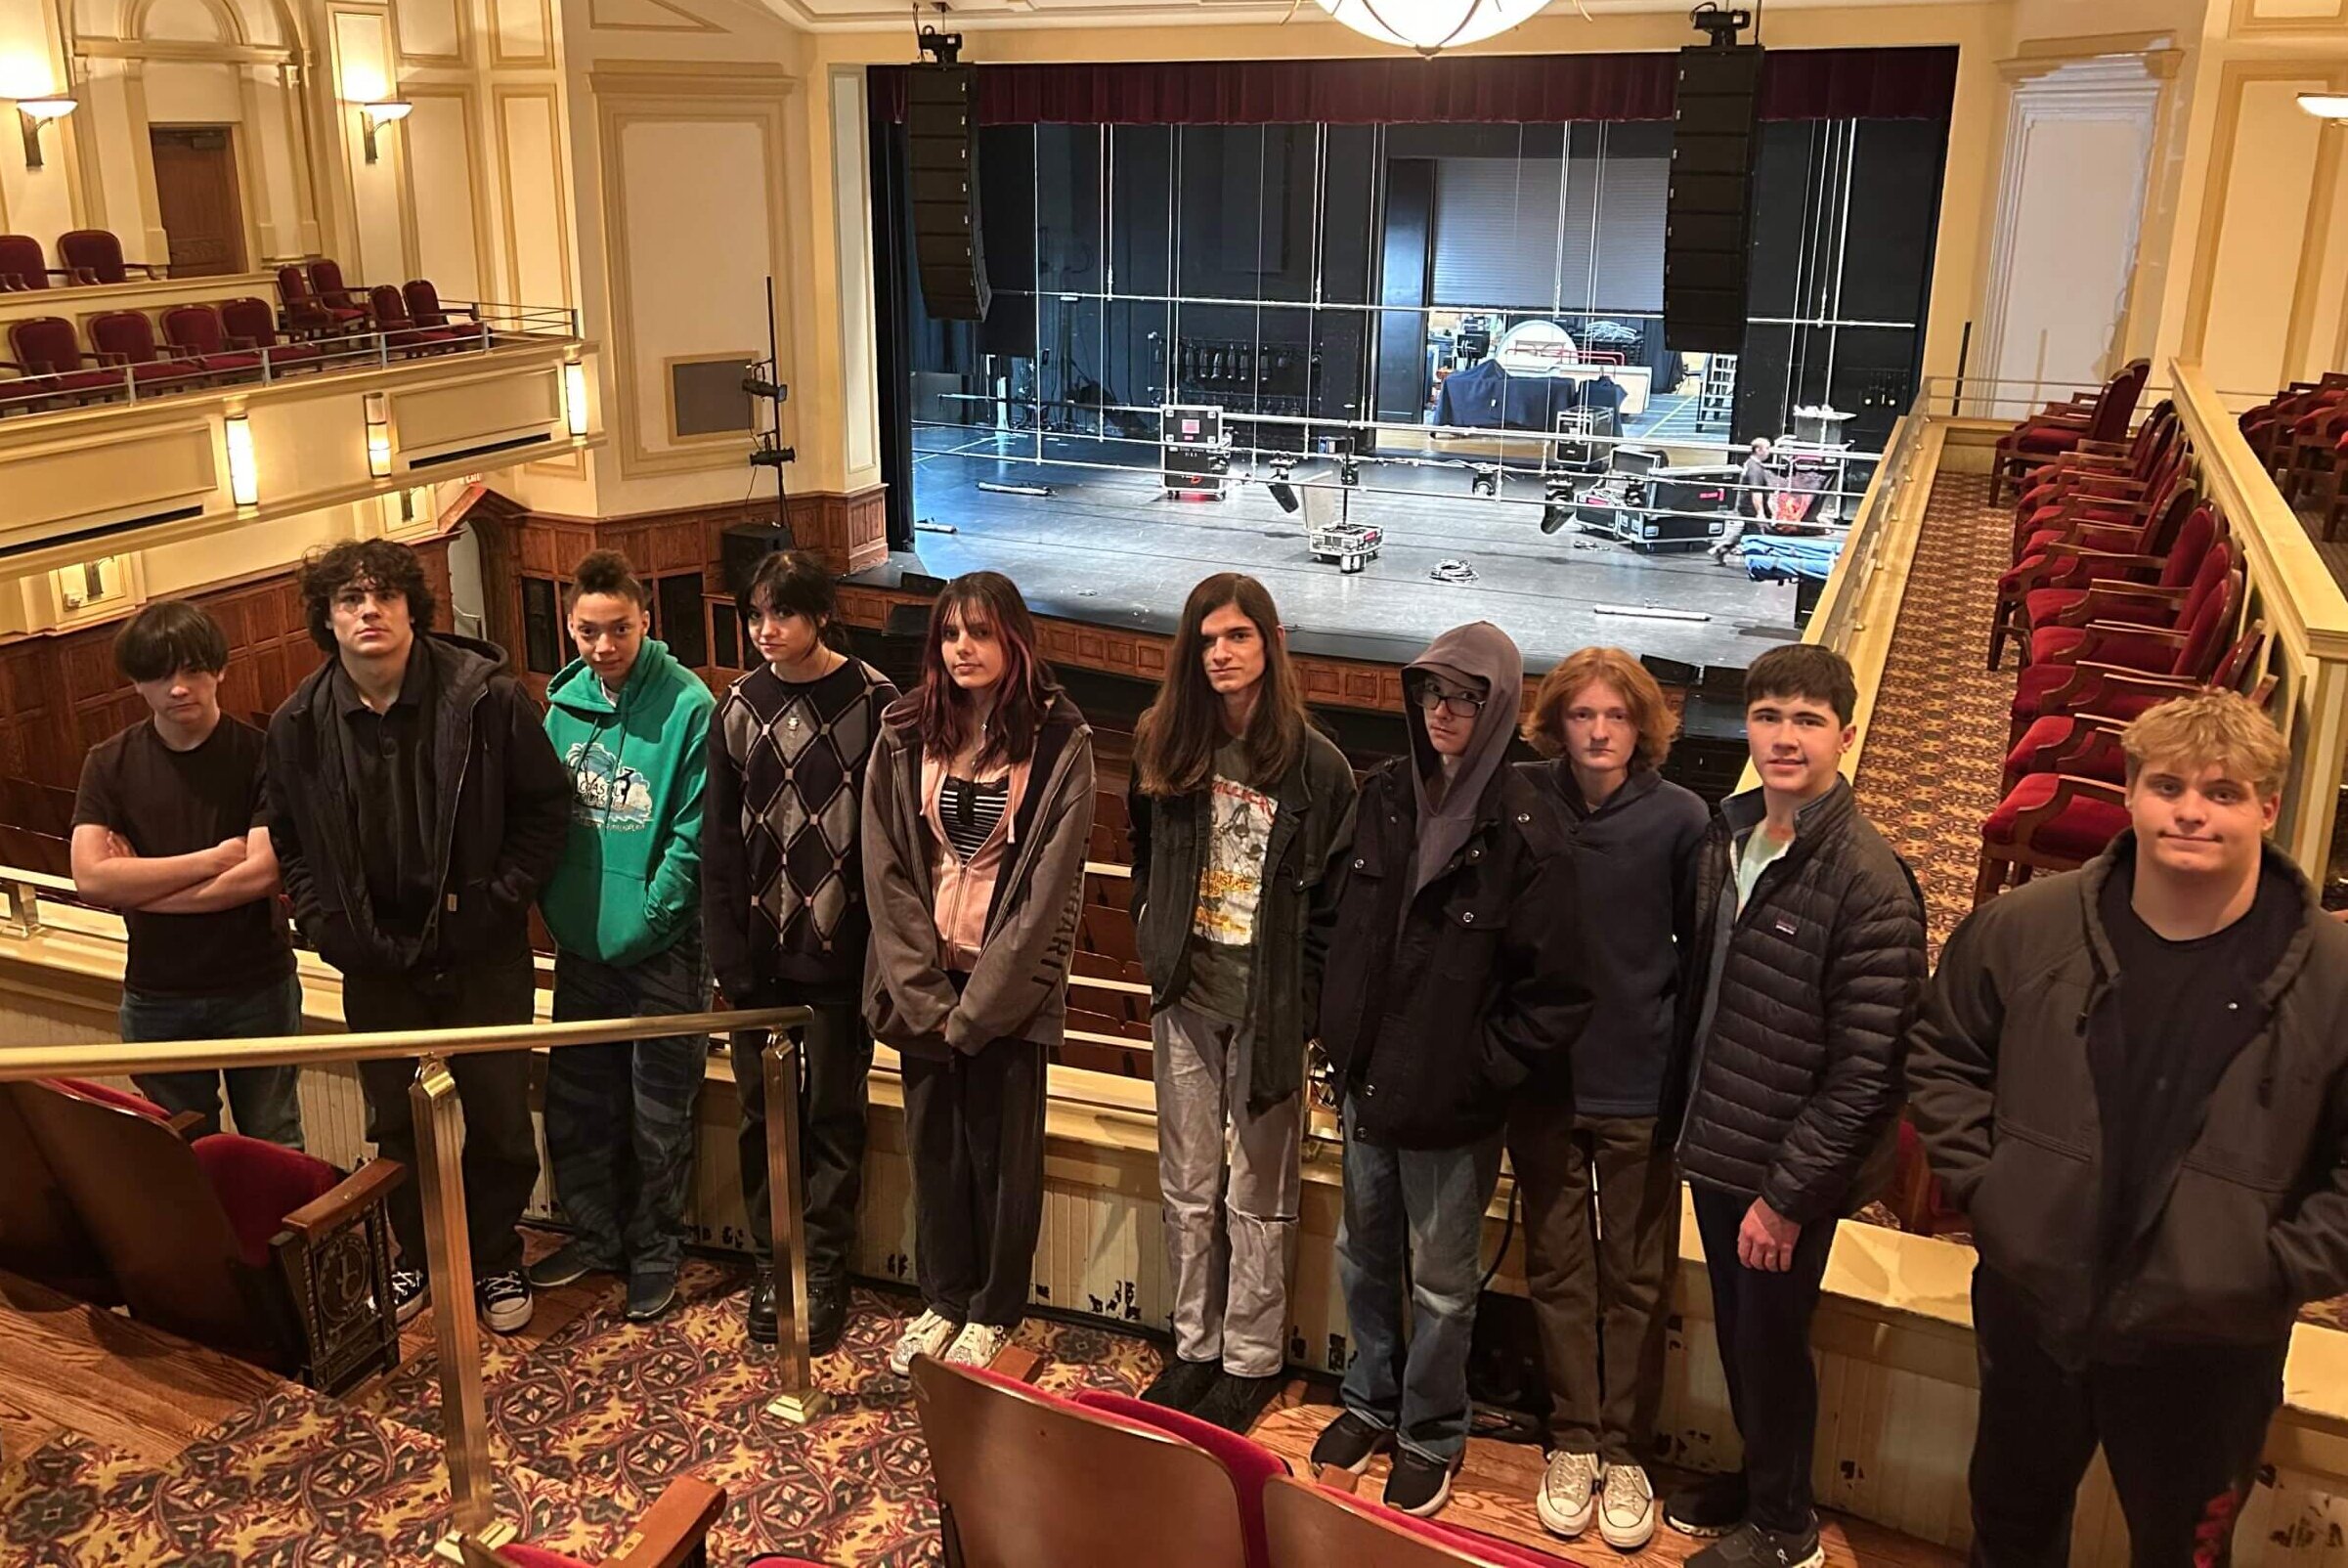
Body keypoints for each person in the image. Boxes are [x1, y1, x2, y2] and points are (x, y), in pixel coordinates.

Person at [1906, 692, 2348, 1568]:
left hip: (2214, 1341)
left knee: (2183, 1551)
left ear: (2268, 808)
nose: (2191, 811)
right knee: (2010, 1529)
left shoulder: (2334, 979)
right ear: (2131, 794)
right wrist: (1998, 1196)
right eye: (2168, 785)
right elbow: (1943, 1057)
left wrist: (2272, 1268)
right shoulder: (2023, 928)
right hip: (2034, 1308)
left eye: (2223, 793)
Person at [1307, 622, 1588, 1517]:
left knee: (1440, 1283)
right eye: (1433, 692)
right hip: (1368, 1087)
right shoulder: (1385, 793)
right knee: (1361, 1257)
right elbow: (1334, 927)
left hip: (1453, 1109)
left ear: (1498, 706)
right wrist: (1334, 1034)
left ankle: (1431, 1432)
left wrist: (1476, 1075)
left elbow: (1556, 995)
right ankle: (1369, 1399)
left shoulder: (1530, 829)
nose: (1443, 711)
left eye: (1465, 697)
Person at [265, 540, 570, 1334]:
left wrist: (499, 902)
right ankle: (419, 1256)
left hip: (482, 955)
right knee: (396, 1125)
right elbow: (288, 838)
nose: (369, 610)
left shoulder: (487, 699)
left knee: (500, 1121)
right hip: (374, 963)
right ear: (327, 619)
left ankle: (495, 1257)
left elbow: (545, 810)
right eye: (350, 599)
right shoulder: (298, 723)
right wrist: (325, 924)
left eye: (385, 596)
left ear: (412, 609)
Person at [1665, 642, 1925, 1568]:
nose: (1785, 737)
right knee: (1745, 1339)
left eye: (1808, 721)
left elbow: (1869, 1072)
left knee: (1772, 1347)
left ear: (1845, 737)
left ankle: (1785, 1530)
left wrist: (1785, 1197)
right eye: (1769, 716)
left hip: (1782, 1172)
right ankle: (1762, 1481)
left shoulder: (1868, 880)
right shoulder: (1729, 838)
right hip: (1723, 1140)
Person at [1128, 573, 1358, 1433]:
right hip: (1185, 999)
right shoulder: (1165, 742)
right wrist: (1155, 936)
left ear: (1271, 643)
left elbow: (1333, 907)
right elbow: (1143, 850)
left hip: (1269, 1011)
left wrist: (1306, 1005)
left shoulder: (1319, 766)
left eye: (1238, 636)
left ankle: (1250, 1362)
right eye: (1207, 640)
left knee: (1258, 1195)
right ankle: (1194, 1347)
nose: (1221, 654)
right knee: (1188, 1186)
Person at [861, 571, 1095, 1375]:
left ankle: (993, 1311)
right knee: (933, 1152)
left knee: (1003, 1162)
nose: (964, 648)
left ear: (1014, 640)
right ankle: (942, 1299)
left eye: (981, 633)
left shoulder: (1062, 741)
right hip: (923, 988)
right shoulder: (903, 730)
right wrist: (925, 997)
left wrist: (979, 1010)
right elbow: (886, 868)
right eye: (952, 634)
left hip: (1006, 996)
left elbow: (1048, 894)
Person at [1511, 648, 1708, 1550]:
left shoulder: (1682, 819)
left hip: (1639, 1083)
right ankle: (1574, 1440)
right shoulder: (1521, 799)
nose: (1598, 731)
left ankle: (1626, 1451)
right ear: (1558, 721)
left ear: (1642, 727)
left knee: (1634, 1278)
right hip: (1544, 1083)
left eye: (1616, 716)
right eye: (1583, 714)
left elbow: (1698, 958)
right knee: (1557, 1271)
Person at [704, 551, 898, 1350]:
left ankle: (822, 1267)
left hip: (839, 953)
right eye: (755, 615)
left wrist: (878, 956)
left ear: (820, 614)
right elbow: (718, 841)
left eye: (781, 613)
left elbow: (891, 843)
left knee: (833, 1115)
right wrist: (728, 955)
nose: (765, 629)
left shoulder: (876, 701)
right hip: (759, 958)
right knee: (762, 1116)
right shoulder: (737, 705)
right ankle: (771, 1260)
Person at [532, 549, 716, 1324]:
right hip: (581, 948)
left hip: (662, 951)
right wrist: (560, 911)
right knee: (579, 1107)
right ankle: (598, 1237)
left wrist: (649, 920)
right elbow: (543, 819)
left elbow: (693, 837)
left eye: (619, 630)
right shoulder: (562, 705)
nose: (604, 647)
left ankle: (655, 1250)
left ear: (646, 621)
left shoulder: (689, 706)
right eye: (588, 632)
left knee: (657, 1116)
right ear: (570, 628)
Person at [68, 599, 304, 1149]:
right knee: (178, 1153)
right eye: (159, 675)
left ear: (219, 670)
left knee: (274, 1141)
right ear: (137, 683)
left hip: (258, 985)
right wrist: (212, 859)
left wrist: (139, 887)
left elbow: (261, 875)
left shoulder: (262, 753)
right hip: (157, 994)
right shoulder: (108, 762)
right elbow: (92, 880)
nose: (178, 688)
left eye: (193, 670)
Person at [1710, 437, 1777, 564]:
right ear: (1758, 450)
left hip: (1746, 506)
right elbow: (1756, 491)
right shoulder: (1755, 469)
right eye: (1767, 448)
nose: (1769, 451)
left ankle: (1720, 549)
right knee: (1758, 534)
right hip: (1750, 507)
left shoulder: (1750, 464)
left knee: (1744, 532)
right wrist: (1760, 512)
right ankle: (1761, 561)